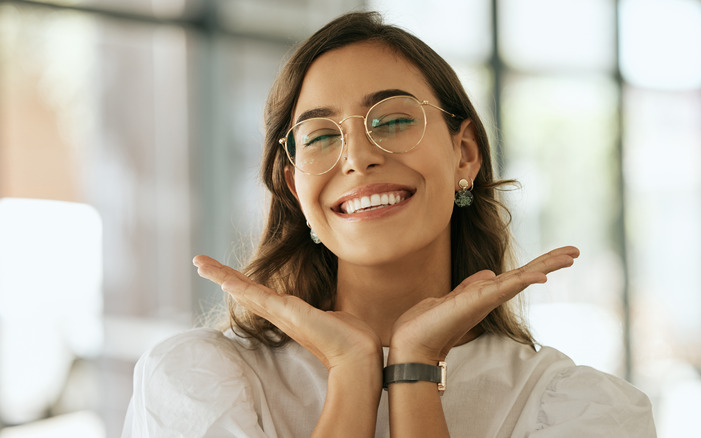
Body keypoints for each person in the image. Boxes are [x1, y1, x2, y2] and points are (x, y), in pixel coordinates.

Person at [122, 11, 656, 438]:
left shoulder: (584, 411)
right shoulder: (195, 382)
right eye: (320, 136)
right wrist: (351, 373)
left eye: (394, 120)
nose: (356, 157)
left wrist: (415, 370)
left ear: (464, 155)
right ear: (294, 189)